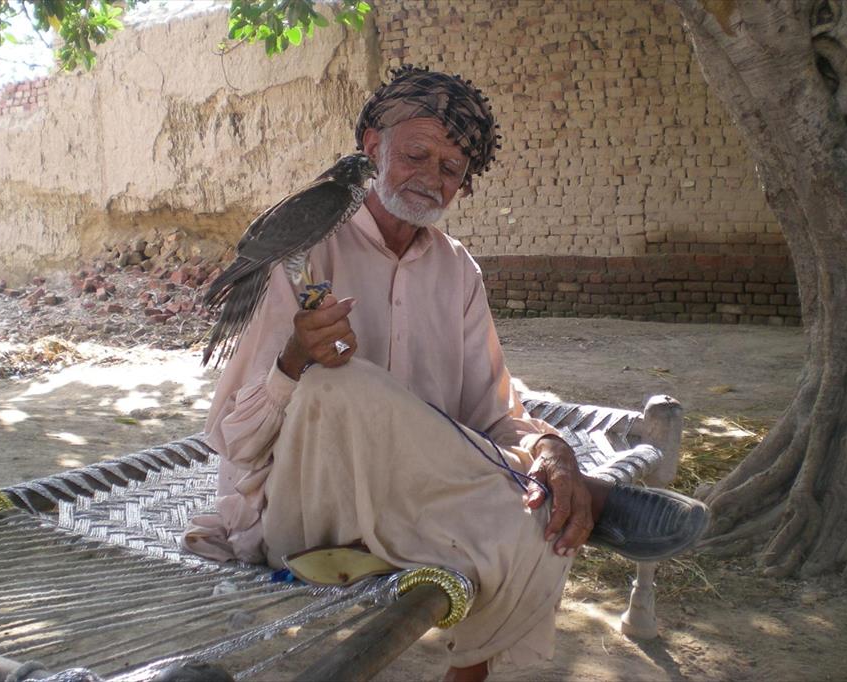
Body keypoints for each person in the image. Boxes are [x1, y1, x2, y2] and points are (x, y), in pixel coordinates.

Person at [183, 66, 697, 681]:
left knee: (535, 513)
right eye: (416, 155)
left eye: (451, 168)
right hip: (302, 515)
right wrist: (293, 361)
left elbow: (492, 413)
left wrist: (551, 449)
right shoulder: (306, 251)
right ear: (372, 146)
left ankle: (471, 665)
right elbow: (234, 439)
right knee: (338, 382)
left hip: (413, 507)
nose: (431, 178)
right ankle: (599, 501)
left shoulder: (457, 272)